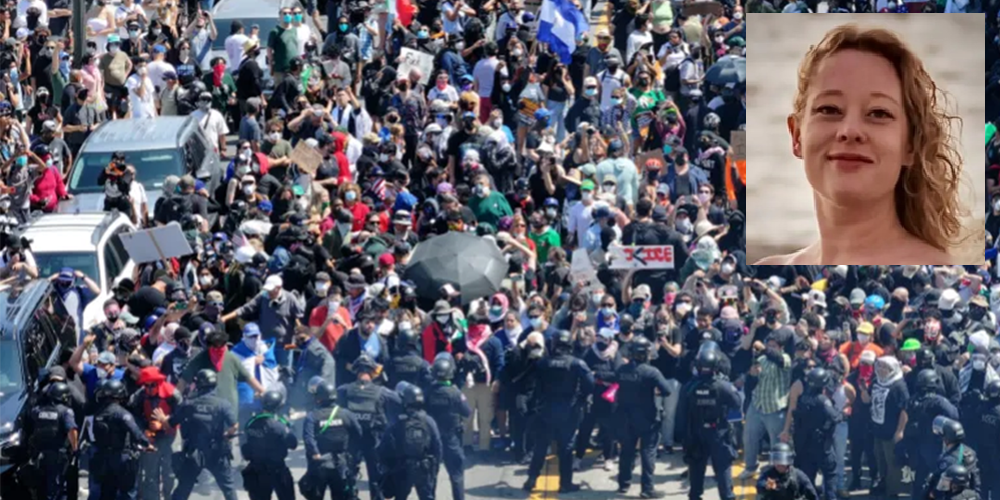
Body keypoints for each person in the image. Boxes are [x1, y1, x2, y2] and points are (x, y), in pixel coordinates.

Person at [755, 25, 960, 264]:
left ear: (911, 145)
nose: (850, 131)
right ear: (797, 135)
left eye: (879, 113)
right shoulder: (767, 268)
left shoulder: (944, 271)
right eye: (829, 109)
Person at [523, 330, 595, 494]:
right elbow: (590, 384)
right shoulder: (576, 363)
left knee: (541, 446)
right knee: (566, 447)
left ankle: (531, 479)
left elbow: (533, 384)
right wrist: (581, 398)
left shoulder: (542, 363)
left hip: (546, 408)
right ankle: (565, 483)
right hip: (568, 409)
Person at [154, 369, 239, 500]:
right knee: (228, 488)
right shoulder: (223, 404)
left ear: (198, 384)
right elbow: (234, 426)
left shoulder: (189, 404)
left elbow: (169, 424)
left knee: (184, 487)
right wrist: (226, 435)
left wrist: (162, 419)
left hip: (193, 453)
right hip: (217, 452)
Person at [676, 349, 741, 500]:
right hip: (718, 432)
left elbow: (682, 412)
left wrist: (683, 437)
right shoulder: (723, 386)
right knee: (723, 468)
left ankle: (695, 496)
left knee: (696, 469)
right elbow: (737, 403)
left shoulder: (689, 387)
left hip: (696, 432)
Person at [614, 335, 672, 498]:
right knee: (648, 452)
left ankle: (623, 485)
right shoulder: (651, 372)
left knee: (626, 451)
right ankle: (647, 489)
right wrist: (653, 390)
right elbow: (667, 390)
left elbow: (615, 382)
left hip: (625, 416)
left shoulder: (622, 370)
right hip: (647, 417)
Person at [336, 354, 400, 500]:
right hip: (374, 440)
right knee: (376, 478)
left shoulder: (344, 390)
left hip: (352, 440)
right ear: (372, 372)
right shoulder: (382, 392)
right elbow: (401, 400)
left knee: (349, 476)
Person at [89, 378, 152, 500]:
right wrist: (147, 444)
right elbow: (136, 433)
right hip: (121, 458)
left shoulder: (98, 413)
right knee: (128, 492)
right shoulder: (123, 414)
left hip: (103, 458)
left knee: (107, 492)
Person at [378, 383, 443, 500]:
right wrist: (435, 469)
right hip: (424, 468)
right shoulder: (429, 421)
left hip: (402, 468)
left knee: (400, 497)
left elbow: (386, 446)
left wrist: (388, 467)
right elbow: (437, 446)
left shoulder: (397, 421)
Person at [301, 382, 364, 500]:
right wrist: (352, 454)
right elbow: (358, 434)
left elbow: (308, 438)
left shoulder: (312, 416)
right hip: (341, 462)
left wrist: (315, 453)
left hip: (319, 463)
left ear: (318, 398)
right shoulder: (346, 414)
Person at [424, 353, 471, 500]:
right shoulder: (455, 393)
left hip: (431, 439)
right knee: (456, 476)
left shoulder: (428, 391)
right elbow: (467, 412)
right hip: (451, 439)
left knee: (431, 477)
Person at [791, 368, 841, 500]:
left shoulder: (803, 399)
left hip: (806, 447)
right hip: (822, 446)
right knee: (830, 477)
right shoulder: (822, 400)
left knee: (808, 480)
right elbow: (835, 417)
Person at [24, 382, 79, 500]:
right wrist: (75, 449)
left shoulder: (38, 410)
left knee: (41, 487)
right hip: (57, 454)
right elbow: (72, 430)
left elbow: (30, 424)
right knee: (57, 487)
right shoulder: (66, 411)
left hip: (39, 455)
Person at [240, 390, 298, 500]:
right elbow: (293, 444)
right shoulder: (279, 426)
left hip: (256, 470)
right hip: (277, 470)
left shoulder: (251, 422)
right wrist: (290, 426)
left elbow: (245, 442)